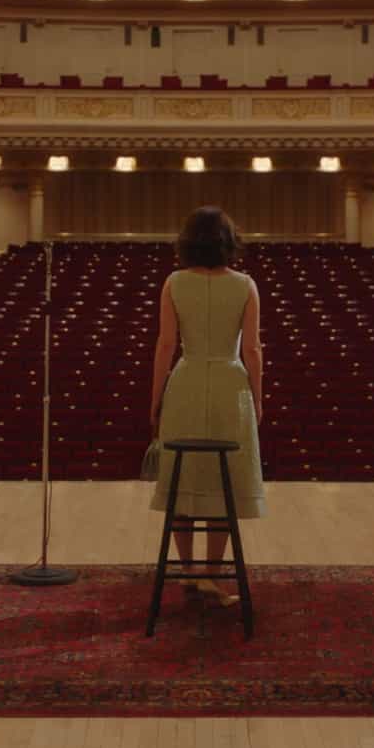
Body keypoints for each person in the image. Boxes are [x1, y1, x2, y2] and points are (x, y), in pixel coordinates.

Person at [148, 206, 266, 605]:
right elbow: (251, 348)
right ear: (228, 242)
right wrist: (259, 397)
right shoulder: (246, 285)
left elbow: (166, 344)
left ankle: (188, 570)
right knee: (223, 481)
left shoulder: (174, 282)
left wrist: (156, 397)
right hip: (232, 386)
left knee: (183, 477)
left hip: (186, 381)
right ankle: (211, 574)